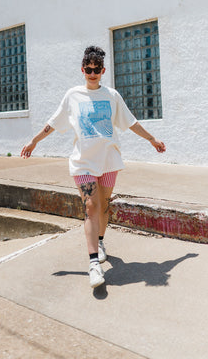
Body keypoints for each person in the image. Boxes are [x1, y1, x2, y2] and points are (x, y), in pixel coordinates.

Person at [21, 46, 166, 288]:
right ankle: (93, 264)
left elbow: (131, 122)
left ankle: (99, 242)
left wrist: (152, 139)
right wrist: (34, 140)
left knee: (104, 206)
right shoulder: (73, 96)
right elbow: (53, 123)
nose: (92, 73)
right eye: (88, 69)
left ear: (103, 71)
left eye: (96, 70)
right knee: (91, 205)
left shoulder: (112, 96)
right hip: (83, 163)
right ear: (82, 70)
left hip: (109, 161)